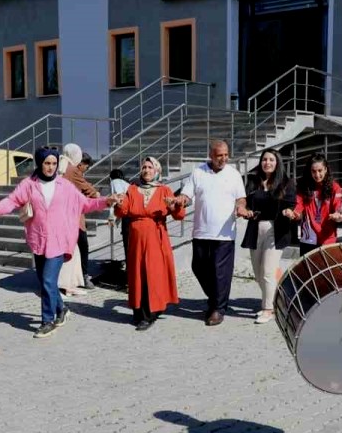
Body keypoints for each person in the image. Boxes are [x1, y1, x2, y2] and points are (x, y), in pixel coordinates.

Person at [0, 147, 120, 337]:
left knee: (47, 280)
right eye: (47, 163)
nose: (51, 167)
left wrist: (105, 201)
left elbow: (84, 204)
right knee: (46, 282)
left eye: (54, 163)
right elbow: (12, 201)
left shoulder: (65, 185)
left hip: (59, 241)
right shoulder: (29, 184)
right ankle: (61, 309)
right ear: (40, 163)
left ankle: (47, 320)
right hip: (39, 240)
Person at [173, 140, 247, 326]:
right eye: (219, 155)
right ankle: (215, 298)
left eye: (225, 154)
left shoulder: (234, 174)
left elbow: (241, 198)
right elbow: (187, 195)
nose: (223, 158)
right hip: (201, 231)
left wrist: (240, 207)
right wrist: (181, 199)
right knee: (198, 267)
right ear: (210, 155)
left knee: (220, 272)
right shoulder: (198, 172)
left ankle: (217, 309)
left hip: (224, 234)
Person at [115, 157, 186, 330]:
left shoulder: (164, 190)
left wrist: (174, 205)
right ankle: (139, 312)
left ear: (156, 171)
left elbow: (179, 215)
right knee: (137, 273)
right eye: (144, 167)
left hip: (155, 237)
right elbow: (123, 211)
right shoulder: (132, 189)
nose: (146, 170)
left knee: (152, 274)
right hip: (136, 238)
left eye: (150, 167)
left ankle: (150, 313)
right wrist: (118, 202)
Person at [241, 148, 297, 324]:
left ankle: (268, 309)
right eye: (265, 159)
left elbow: (291, 203)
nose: (267, 163)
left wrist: (290, 212)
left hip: (276, 229)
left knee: (268, 271)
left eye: (271, 160)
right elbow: (246, 202)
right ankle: (280, 297)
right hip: (255, 229)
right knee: (259, 274)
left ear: (277, 162)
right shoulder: (252, 181)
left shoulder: (286, 183)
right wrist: (245, 211)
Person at [284, 153, 342, 256]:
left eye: (320, 170)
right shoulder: (304, 187)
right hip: (308, 239)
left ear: (326, 169)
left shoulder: (334, 187)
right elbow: (299, 205)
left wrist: (337, 214)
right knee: (307, 271)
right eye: (313, 171)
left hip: (328, 239)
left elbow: (338, 205)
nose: (317, 175)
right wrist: (293, 213)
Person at [62, 144, 99, 291]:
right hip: (72, 216)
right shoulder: (73, 170)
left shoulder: (61, 167)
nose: (86, 169)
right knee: (83, 245)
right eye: (86, 166)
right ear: (80, 161)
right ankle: (83, 276)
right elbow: (87, 188)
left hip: (60, 214)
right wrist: (98, 196)